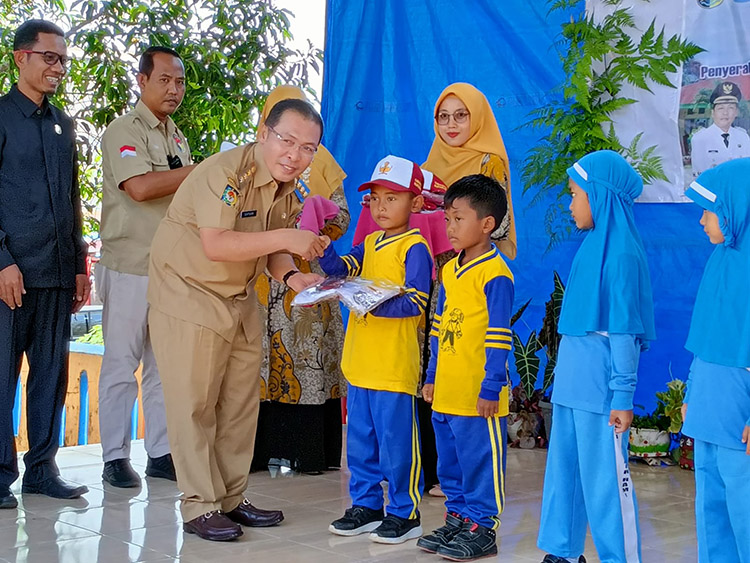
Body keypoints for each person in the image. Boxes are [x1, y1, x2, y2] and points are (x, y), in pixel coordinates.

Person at [147, 98, 329, 541]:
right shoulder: (223, 172)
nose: (295, 155)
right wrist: (291, 236)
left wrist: (292, 278)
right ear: (263, 132)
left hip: (239, 296)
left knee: (240, 406)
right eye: (287, 141)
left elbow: (272, 252)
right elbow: (217, 244)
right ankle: (199, 506)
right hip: (188, 292)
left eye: (308, 148)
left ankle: (231, 498)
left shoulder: (287, 187)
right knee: (195, 405)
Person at [537, 151, 656, 563]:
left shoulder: (622, 255)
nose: (570, 205)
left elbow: (624, 333)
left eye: (575, 195)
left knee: (606, 482)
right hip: (571, 389)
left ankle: (619, 557)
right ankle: (562, 552)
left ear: (600, 196)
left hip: (600, 395)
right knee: (564, 475)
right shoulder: (590, 247)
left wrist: (623, 396)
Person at [0, 20, 91, 508]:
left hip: (57, 274)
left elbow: (73, 197)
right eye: (49, 57)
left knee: (51, 376)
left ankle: (41, 470)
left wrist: (79, 263)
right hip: (10, 276)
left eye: (62, 59)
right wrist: (1, 262)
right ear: (21, 58)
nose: (57, 67)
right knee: (1, 377)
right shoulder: (1, 116)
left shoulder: (63, 124)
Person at [97, 46, 196, 488]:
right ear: (142, 81)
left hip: (171, 267)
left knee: (164, 366)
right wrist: (201, 170)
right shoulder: (124, 129)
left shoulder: (177, 136)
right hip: (130, 264)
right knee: (122, 362)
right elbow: (138, 187)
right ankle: (115, 456)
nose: (174, 89)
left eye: (179, 82)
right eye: (164, 80)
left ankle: (160, 452)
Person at [320, 155, 432, 544]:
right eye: (375, 199)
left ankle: (405, 512)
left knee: (397, 443)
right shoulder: (369, 242)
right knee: (361, 440)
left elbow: (417, 301)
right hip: (361, 362)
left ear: (415, 203)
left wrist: (372, 302)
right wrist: (323, 250)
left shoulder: (415, 246)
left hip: (393, 364)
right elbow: (342, 269)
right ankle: (366, 505)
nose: (381, 207)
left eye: (392, 198)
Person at [420, 82, 517, 498]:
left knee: (469, 352)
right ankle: (440, 479)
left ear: (477, 118)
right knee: (437, 362)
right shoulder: (430, 160)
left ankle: (476, 507)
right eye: (444, 116)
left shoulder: (488, 161)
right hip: (436, 276)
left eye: (461, 115)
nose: (451, 124)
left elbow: (499, 219)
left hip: (471, 273)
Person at [252, 85, 348, 475]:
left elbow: (341, 217)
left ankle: (310, 453)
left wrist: (316, 218)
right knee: (262, 362)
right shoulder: (252, 161)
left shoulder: (321, 160)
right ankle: (260, 452)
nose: (295, 149)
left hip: (307, 274)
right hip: (261, 278)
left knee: (308, 361)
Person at [419, 174, 513, 561]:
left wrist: (491, 386)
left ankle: (483, 527)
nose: (450, 227)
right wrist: (430, 377)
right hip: (448, 391)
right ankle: (458, 518)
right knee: (451, 463)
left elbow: (498, 334)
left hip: (478, 396)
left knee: (480, 463)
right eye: (447, 219)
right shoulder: (451, 269)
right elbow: (439, 329)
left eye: (458, 219)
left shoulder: (497, 275)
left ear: (487, 223)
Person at [682, 158, 750, 563]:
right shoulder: (720, 262)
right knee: (710, 503)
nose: (703, 220)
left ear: (737, 206)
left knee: (744, 505)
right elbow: (704, 338)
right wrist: (692, 391)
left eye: (710, 210)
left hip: (738, 410)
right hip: (709, 404)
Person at [690, 81, 750, 177]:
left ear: (736, 112)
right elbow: (699, 176)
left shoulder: (743, 137)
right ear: (713, 112)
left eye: (730, 108)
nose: (725, 113)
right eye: (721, 108)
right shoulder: (700, 139)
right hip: (713, 190)